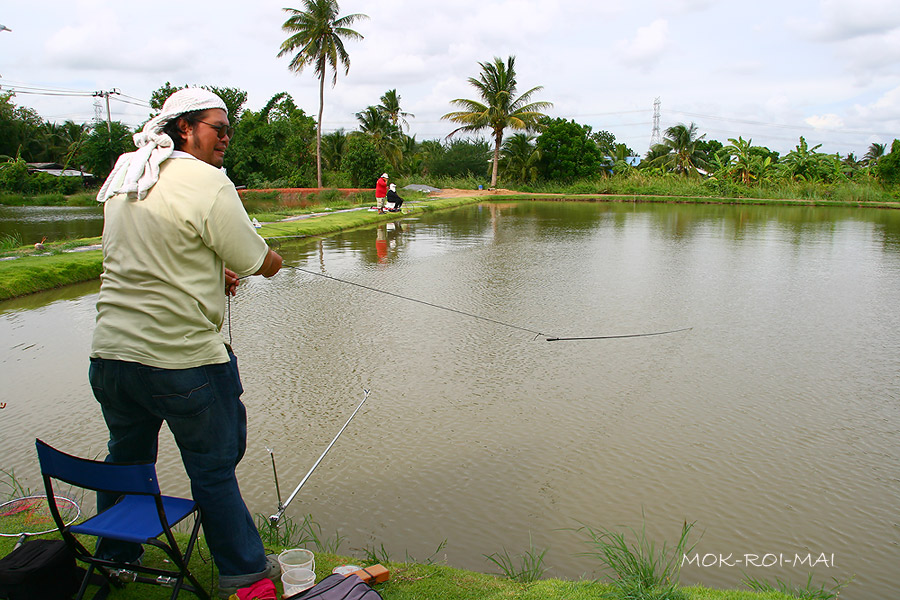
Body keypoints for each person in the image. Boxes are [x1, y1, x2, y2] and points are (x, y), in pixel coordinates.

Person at [89, 88, 283, 598]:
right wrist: (269, 262)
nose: (225, 138)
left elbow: (149, 255)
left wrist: (209, 272)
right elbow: (257, 260)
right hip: (181, 362)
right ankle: (244, 572)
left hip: (110, 356)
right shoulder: (208, 181)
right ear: (184, 129)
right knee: (214, 468)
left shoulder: (128, 172)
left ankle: (114, 555)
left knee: (126, 456)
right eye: (217, 128)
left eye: (227, 130)